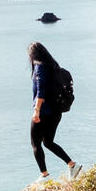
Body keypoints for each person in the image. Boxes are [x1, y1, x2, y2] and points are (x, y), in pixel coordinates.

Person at [28, 42, 79, 179]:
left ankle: (44, 175)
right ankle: (72, 165)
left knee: (35, 143)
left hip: (44, 112)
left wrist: (36, 110)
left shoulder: (40, 67)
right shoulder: (54, 66)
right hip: (56, 111)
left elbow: (41, 91)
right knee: (48, 142)